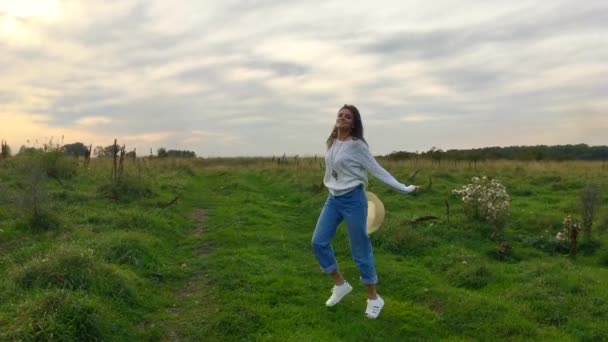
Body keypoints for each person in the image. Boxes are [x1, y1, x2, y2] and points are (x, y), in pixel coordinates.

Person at [311, 104, 421, 319]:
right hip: (333, 200)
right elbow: (333, 171)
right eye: (340, 115)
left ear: (353, 123)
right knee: (318, 242)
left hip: (354, 200)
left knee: (360, 250)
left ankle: (373, 298)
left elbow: (378, 170)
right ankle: (340, 284)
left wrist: (405, 188)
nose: (342, 118)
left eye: (347, 116)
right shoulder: (332, 142)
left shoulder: (358, 145)